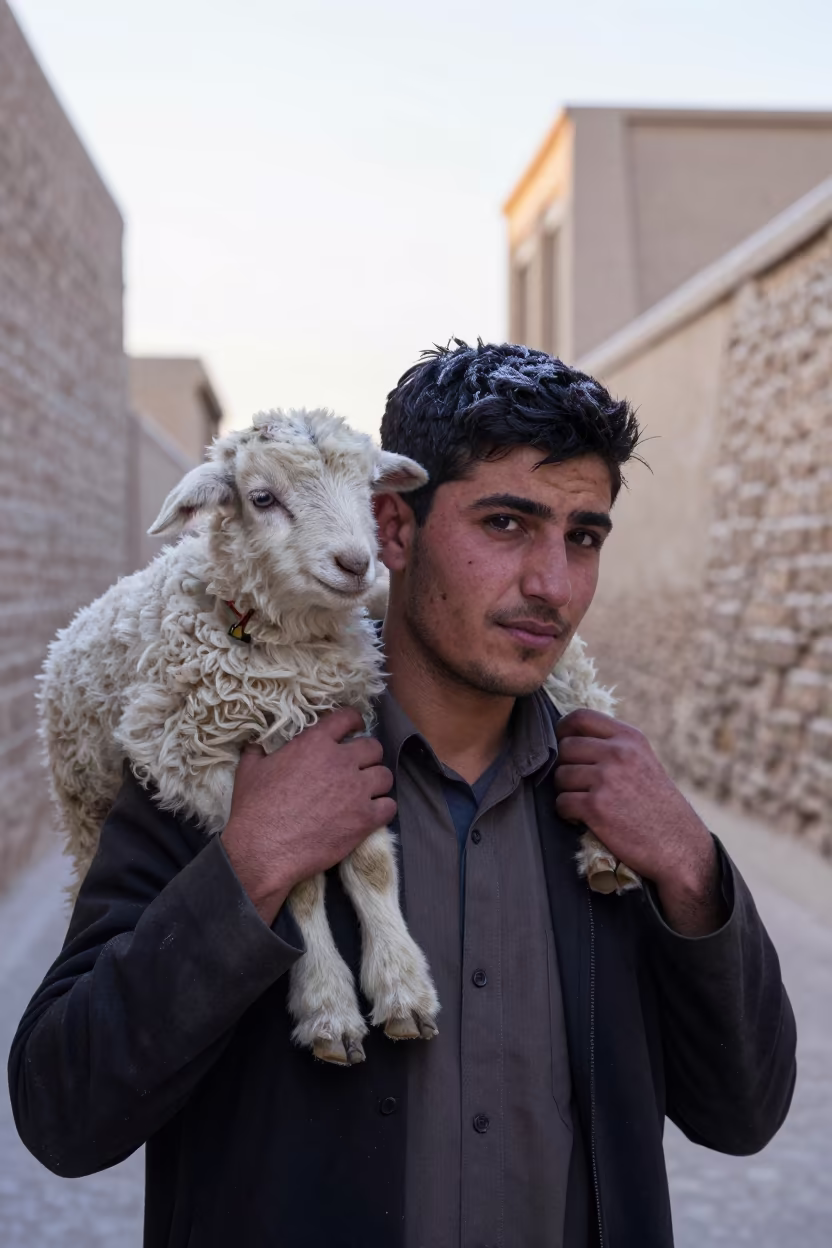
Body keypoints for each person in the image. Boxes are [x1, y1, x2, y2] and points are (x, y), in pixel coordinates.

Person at [10, 340, 796, 1248]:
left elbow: (745, 1114)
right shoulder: (227, 764)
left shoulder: (615, 824)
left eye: (582, 537)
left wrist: (692, 869)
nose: (553, 585)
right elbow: (62, 1112)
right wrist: (249, 867)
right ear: (391, 528)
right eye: (507, 524)